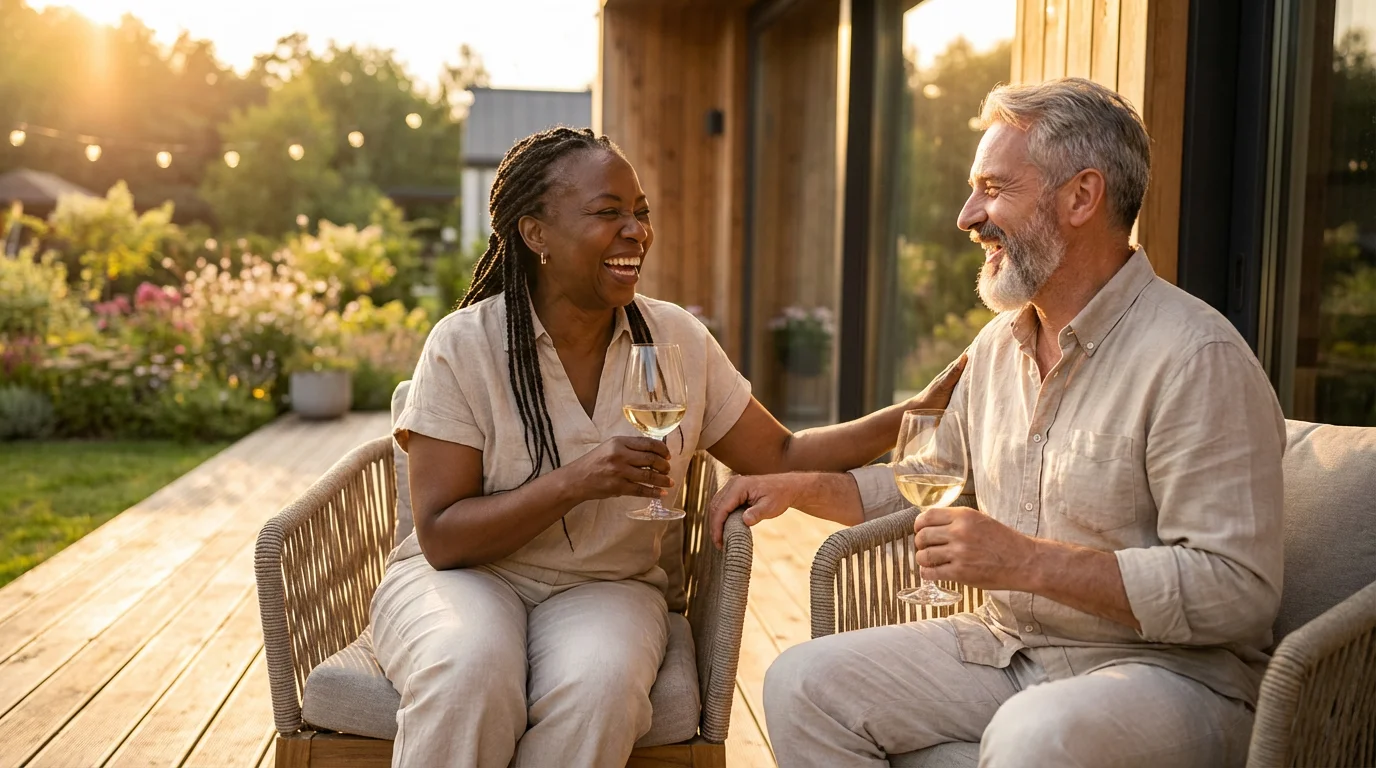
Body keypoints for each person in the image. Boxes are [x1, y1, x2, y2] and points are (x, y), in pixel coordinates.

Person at [709, 78, 1286, 767]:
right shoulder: (997, 347)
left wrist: (1027, 562)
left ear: (1081, 197)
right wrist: (798, 488)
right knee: (802, 682)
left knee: (1033, 737)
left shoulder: (1197, 357)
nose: (966, 215)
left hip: (1168, 675)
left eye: (993, 188)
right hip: (1009, 649)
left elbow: (1237, 590)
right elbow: (925, 482)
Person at [373, 126, 967, 768]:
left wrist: (915, 411)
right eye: (608, 213)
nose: (636, 231)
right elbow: (442, 536)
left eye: (641, 213)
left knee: (600, 687)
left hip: (608, 585)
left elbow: (785, 455)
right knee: (470, 670)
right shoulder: (465, 345)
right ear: (535, 233)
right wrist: (578, 480)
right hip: (465, 580)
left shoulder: (676, 336)